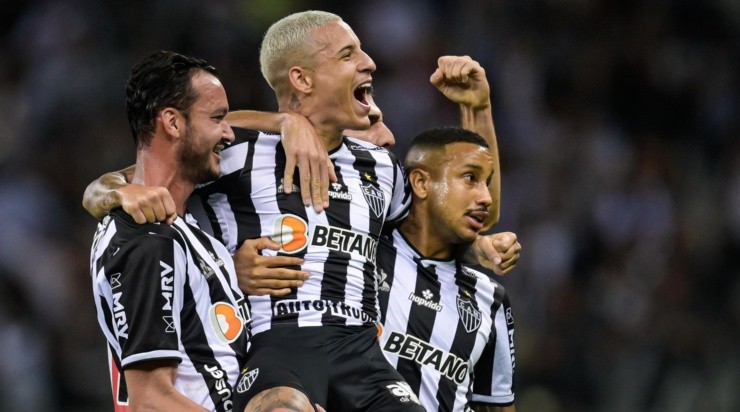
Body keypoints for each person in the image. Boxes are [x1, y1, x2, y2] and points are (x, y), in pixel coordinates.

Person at [88, 50, 249, 411]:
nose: (229, 133)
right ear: (173, 123)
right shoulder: (144, 239)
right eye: (217, 118)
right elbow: (150, 400)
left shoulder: (184, 230)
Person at [377, 127, 517, 412]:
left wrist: (480, 108)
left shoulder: (491, 299)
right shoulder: (365, 256)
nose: (487, 198)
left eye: (487, 183)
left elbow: (499, 406)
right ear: (421, 183)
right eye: (470, 178)